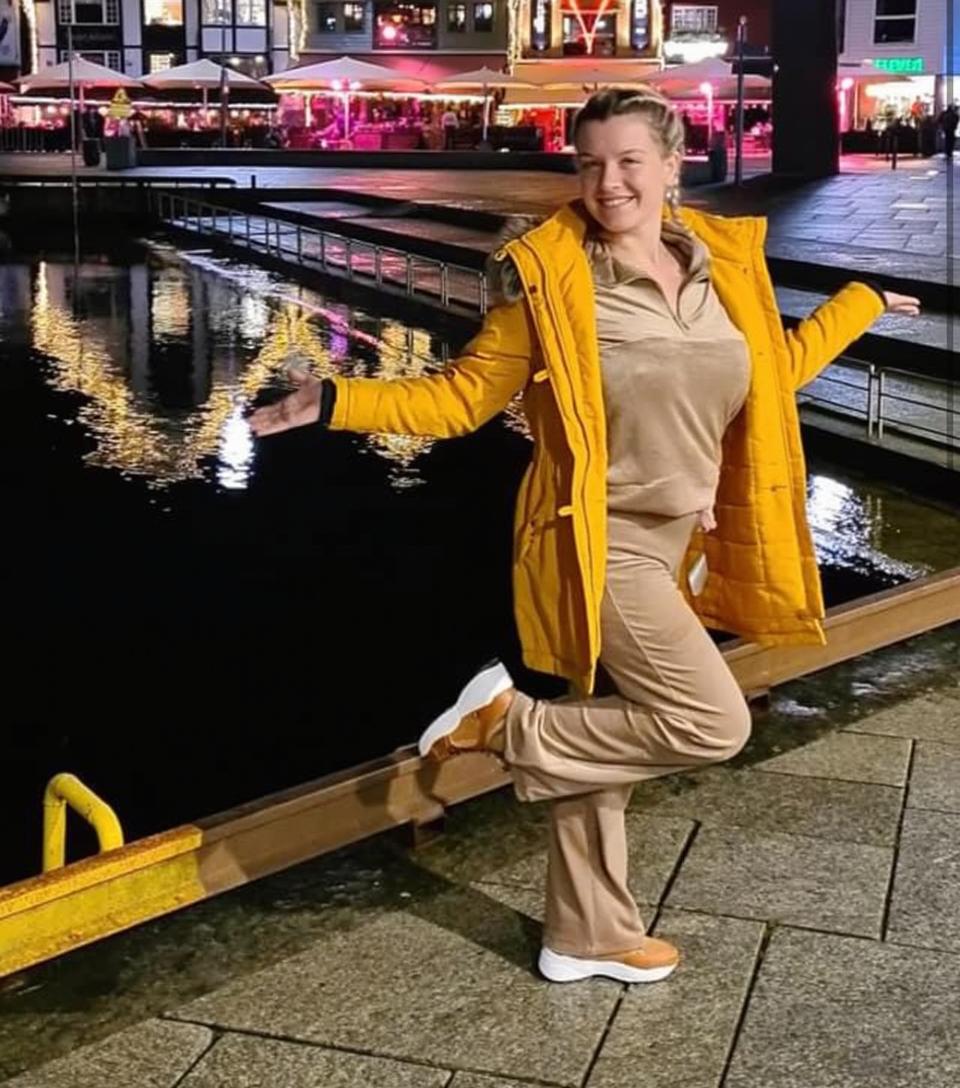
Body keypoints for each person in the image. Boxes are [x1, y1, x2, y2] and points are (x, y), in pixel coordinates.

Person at [249, 88, 920, 986]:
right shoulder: (552, 279)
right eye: (590, 163)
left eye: (629, 161)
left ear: (674, 164)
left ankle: (585, 933)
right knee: (709, 722)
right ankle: (503, 722)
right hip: (598, 543)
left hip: (679, 539)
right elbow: (461, 398)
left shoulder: (722, 262)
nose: (609, 183)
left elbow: (770, 372)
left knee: (603, 737)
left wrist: (858, 304)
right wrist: (336, 399)